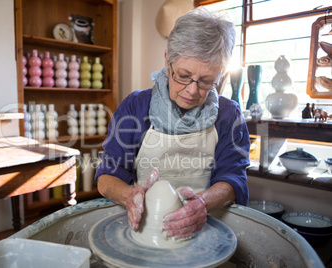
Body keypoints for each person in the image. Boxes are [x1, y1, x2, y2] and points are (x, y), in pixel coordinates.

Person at [94, 7, 250, 241]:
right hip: (143, 229)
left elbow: (234, 179)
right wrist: (129, 196)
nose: (192, 90)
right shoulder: (135, 107)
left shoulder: (228, 115)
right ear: (168, 60)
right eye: (183, 75)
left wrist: (202, 204)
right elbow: (107, 176)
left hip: (203, 227)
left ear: (220, 75)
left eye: (207, 81)